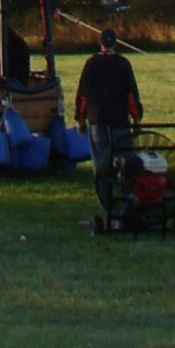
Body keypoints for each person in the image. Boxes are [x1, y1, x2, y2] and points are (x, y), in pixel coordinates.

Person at [74, 26, 142, 219]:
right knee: (126, 162)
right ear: (116, 43)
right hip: (120, 121)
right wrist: (136, 118)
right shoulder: (123, 64)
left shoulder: (91, 64)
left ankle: (104, 201)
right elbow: (131, 96)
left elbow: (83, 96)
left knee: (101, 164)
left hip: (97, 121)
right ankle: (128, 198)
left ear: (100, 43)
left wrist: (80, 119)